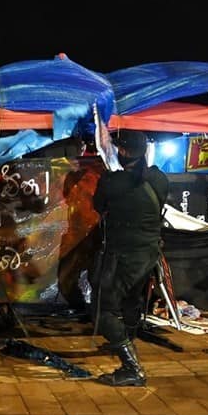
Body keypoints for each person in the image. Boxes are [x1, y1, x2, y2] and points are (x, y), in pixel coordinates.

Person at [91, 130, 168, 386]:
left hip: (124, 255)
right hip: (149, 253)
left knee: (103, 310)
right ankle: (127, 341)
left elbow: (98, 206)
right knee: (132, 300)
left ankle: (131, 366)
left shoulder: (112, 181)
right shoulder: (158, 177)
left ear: (122, 152)